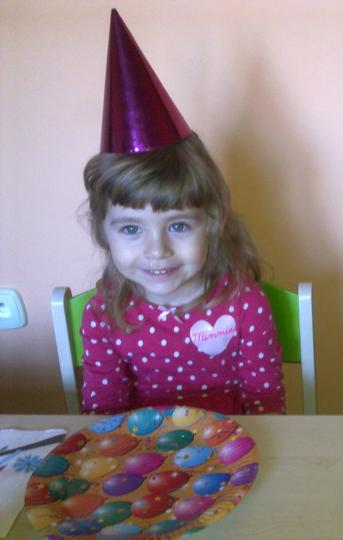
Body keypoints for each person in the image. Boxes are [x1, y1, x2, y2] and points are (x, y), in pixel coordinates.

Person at [80, 10, 284, 415]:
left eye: (177, 225)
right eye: (131, 229)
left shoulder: (245, 304)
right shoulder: (103, 313)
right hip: (139, 449)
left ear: (211, 222)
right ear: (104, 232)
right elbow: (104, 413)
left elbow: (266, 405)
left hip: (237, 446)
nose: (157, 250)